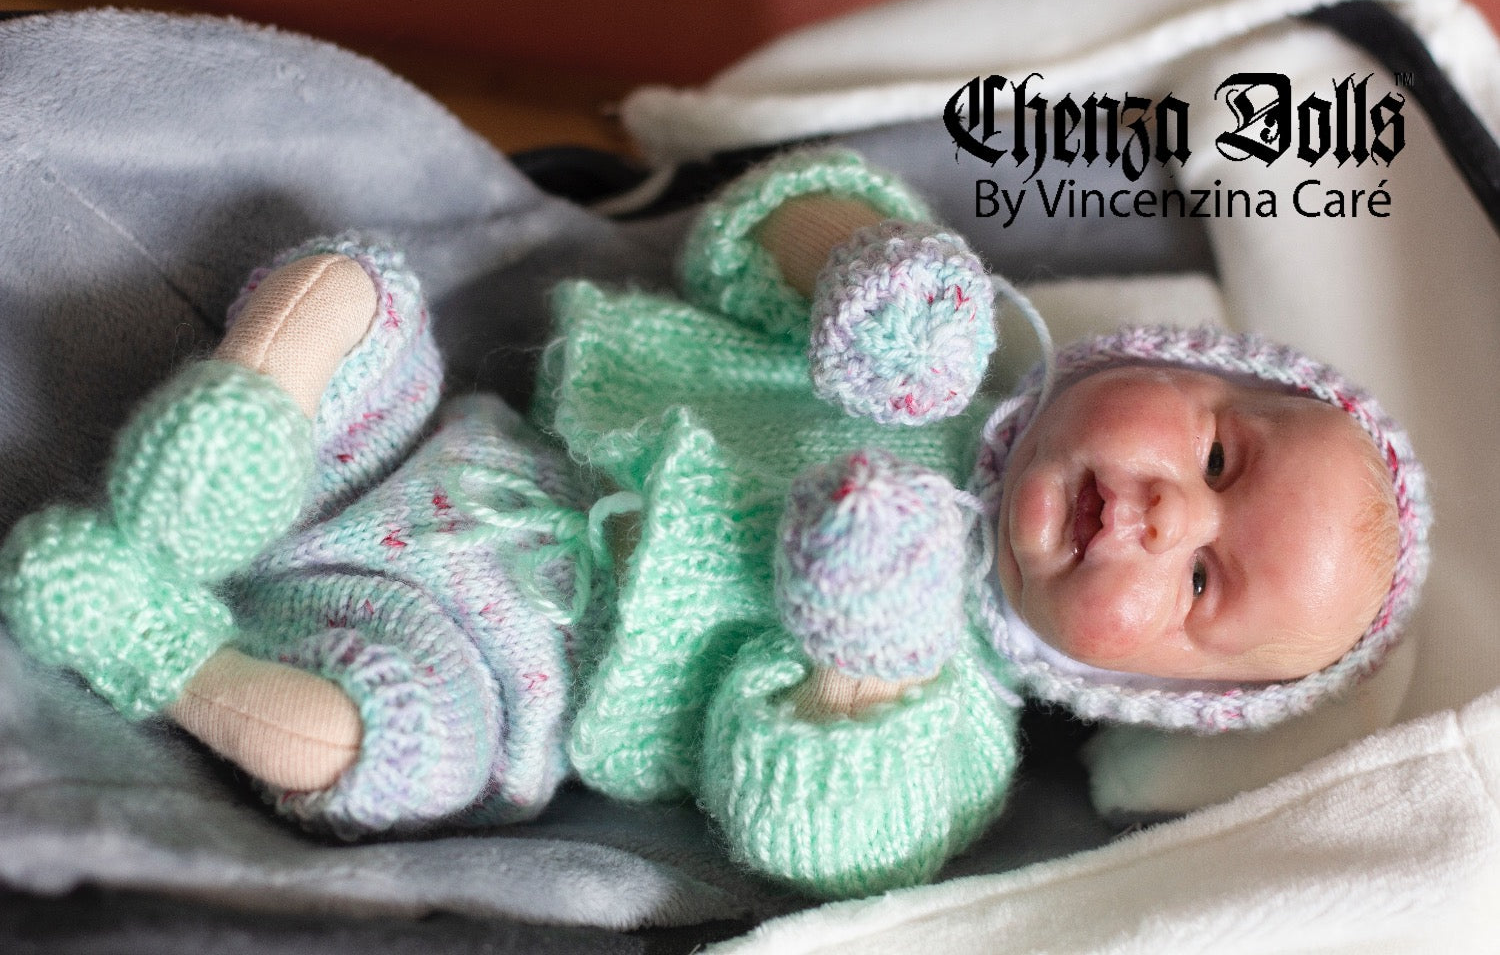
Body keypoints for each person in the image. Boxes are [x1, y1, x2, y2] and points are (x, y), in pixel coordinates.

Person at [0, 149, 1429, 897]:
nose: (1172, 515)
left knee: (384, 754)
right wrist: (865, 266)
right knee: (350, 290)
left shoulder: (956, 718)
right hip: (446, 450)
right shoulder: (940, 349)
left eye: (1202, 586)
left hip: (488, 664)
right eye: (1222, 456)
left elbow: (824, 835)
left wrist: (862, 661)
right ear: (1169, 364)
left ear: (1136, 690)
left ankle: (164, 646)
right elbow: (748, 229)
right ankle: (232, 446)